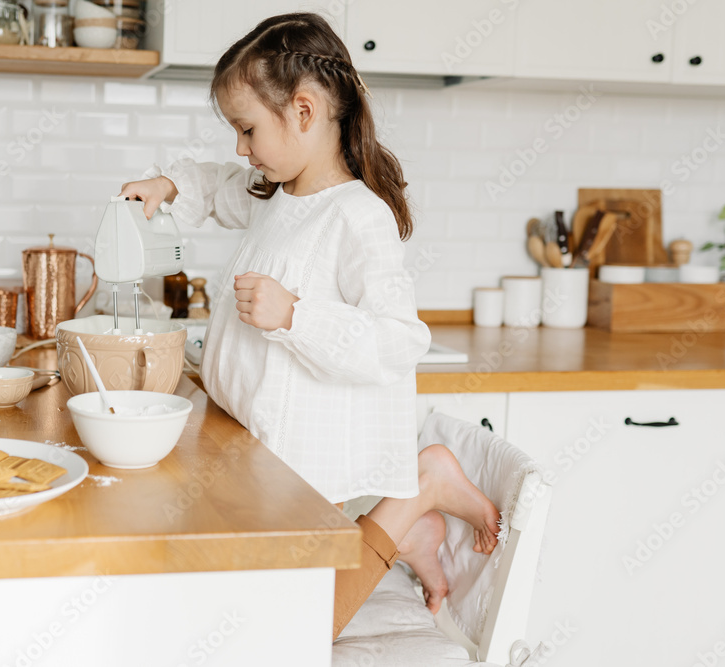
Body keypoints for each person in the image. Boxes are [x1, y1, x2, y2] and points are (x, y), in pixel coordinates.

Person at [119, 12, 500, 640]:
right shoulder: (277, 192)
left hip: (296, 472)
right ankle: (415, 530)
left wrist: (296, 316)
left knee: (290, 630)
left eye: (246, 129)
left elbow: (398, 339)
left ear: (304, 111)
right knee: (234, 605)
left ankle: (419, 494)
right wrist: (167, 183)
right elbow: (217, 189)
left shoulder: (356, 215)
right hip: (253, 453)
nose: (240, 149)